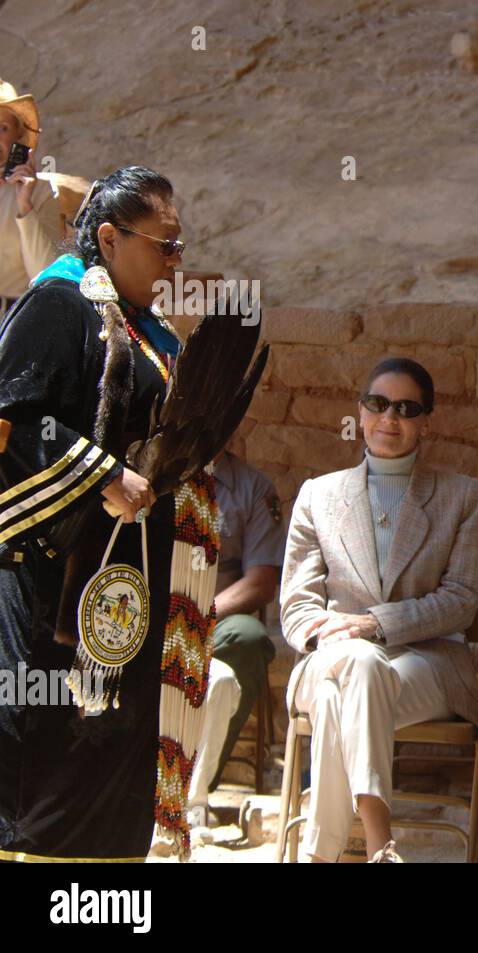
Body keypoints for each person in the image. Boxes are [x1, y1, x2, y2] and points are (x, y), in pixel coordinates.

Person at [0, 167, 201, 861]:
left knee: (113, 773)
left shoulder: (151, 333)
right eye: (163, 246)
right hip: (49, 591)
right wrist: (103, 474)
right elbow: (11, 425)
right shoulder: (57, 306)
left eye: (180, 247)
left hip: (126, 596)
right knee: (47, 768)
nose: (176, 262)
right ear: (110, 239)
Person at [280, 357, 478, 864]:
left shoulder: (462, 496)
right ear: (360, 411)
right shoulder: (318, 495)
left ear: (425, 422)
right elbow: (296, 606)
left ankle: (319, 855)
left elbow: (461, 599)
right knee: (356, 664)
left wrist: (373, 625)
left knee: (342, 693)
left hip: (427, 663)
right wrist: (334, 637)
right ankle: (380, 845)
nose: (389, 418)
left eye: (406, 408)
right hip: (326, 657)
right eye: (377, 404)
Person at [187, 445, 285, 833]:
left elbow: (261, 582)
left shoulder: (253, 487)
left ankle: (196, 785)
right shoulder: (153, 471)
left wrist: (197, 618)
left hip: (217, 621)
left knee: (250, 637)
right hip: (150, 614)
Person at [0, 80, 61, 314]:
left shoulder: (43, 191)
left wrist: (25, 207)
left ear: (18, 135)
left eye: (2, 128)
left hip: (17, 320)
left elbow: (46, 275)